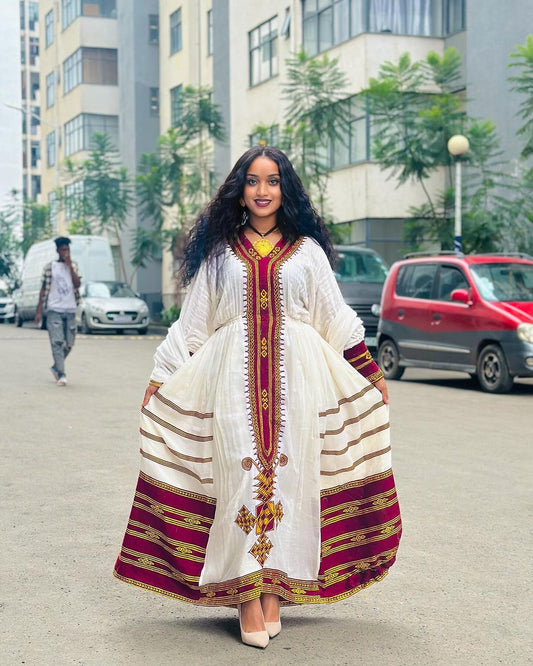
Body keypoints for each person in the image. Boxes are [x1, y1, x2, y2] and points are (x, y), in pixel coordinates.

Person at [113, 146, 401, 648]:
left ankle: (273, 591)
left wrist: (369, 372)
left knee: (289, 479)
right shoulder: (221, 253)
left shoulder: (308, 252)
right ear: (239, 190)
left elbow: (335, 319)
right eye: (252, 181)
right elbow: (194, 323)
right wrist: (162, 376)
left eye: (272, 181)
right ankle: (246, 595)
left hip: (299, 386)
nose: (263, 190)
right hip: (229, 383)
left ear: (285, 188)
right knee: (239, 476)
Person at [35, 236, 81, 386]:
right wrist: (39, 311)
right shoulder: (50, 267)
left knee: (69, 343)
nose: (65, 252)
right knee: (57, 342)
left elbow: (77, 284)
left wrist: (70, 267)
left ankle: (56, 366)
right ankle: (61, 374)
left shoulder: (74, 265)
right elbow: (43, 290)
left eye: (67, 249)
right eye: (63, 250)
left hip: (70, 309)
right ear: (57, 251)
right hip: (54, 309)